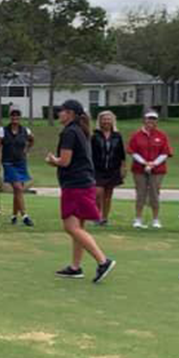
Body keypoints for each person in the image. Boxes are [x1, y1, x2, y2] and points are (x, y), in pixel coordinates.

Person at [46, 99, 116, 284]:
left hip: (75, 185)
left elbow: (65, 161)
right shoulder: (79, 130)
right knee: (79, 228)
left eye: (61, 111)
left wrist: (53, 160)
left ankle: (103, 261)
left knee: (70, 227)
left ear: (70, 114)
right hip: (84, 183)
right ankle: (75, 268)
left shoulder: (69, 132)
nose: (59, 114)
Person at [127, 110, 173, 229]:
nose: (151, 122)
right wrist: (144, 162)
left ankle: (155, 219)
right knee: (140, 193)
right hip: (139, 168)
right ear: (144, 120)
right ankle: (138, 219)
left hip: (158, 169)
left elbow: (165, 152)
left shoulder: (161, 135)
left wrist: (153, 164)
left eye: (153, 119)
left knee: (154, 193)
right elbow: (132, 151)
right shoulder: (136, 135)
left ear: (156, 121)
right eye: (149, 119)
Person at [0, 107, 35, 226]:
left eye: (17, 115)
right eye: (13, 115)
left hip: (21, 162)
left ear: (20, 117)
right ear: (10, 117)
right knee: (18, 187)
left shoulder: (25, 130)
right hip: (8, 163)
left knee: (18, 190)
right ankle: (25, 216)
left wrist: (27, 150)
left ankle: (13, 216)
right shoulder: (2, 130)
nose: (15, 118)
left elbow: (32, 140)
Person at [91, 110, 127, 225]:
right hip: (98, 169)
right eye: (104, 119)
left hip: (113, 169)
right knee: (98, 193)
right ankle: (97, 216)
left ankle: (105, 218)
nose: (106, 121)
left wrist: (123, 167)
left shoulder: (117, 136)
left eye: (109, 119)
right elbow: (90, 153)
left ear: (112, 121)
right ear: (100, 121)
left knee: (108, 195)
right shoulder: (94, 135)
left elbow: (121, 153)